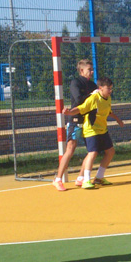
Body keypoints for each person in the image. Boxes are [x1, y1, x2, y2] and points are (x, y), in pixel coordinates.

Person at [61, 76, 124, 189]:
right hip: (91, 130)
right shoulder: (93, 98)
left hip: (102, 129)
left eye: (111, 88)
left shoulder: (108, 98)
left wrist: (118, 119)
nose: (110, 91)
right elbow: (81, 108)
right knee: (93, 153)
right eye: (108, 88)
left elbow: (108, 111)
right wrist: (69, 112)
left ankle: (99, 177)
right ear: (100, 88)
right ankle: (86, 180)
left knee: (110, 152)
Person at [53, 59, 97, 191]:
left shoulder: (93, 85)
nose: (92, 72)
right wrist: (91, 95)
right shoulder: (75, 83)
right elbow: (78, 100)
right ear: (82, 70)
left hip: (89, 121)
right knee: (70, 148)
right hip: (76, 120)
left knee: (92, 150)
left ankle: (81, 177)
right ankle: (58, 179)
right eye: (89, 70)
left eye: (92, 69)